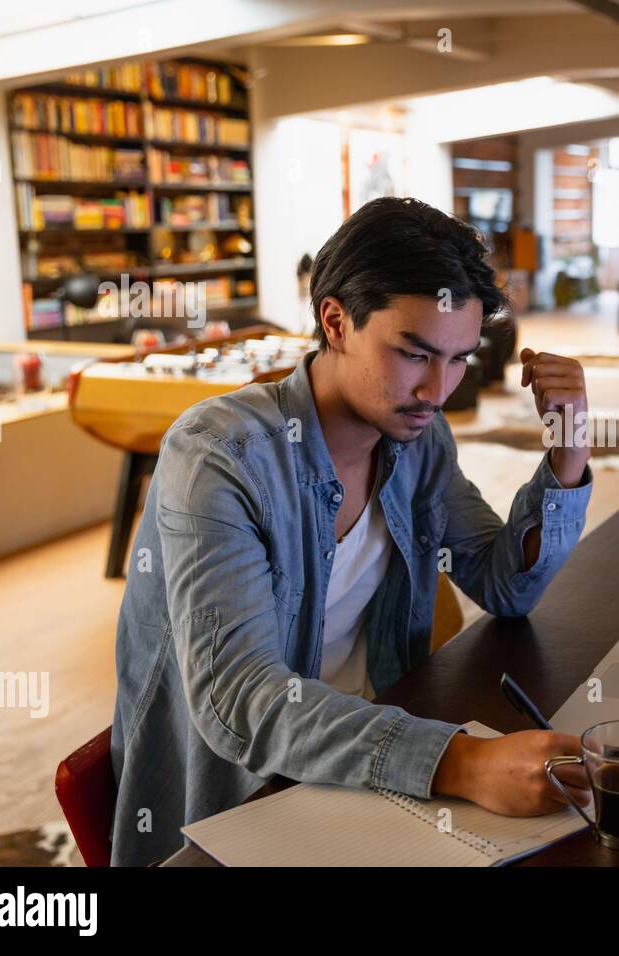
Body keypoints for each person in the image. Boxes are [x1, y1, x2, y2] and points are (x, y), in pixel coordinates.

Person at [109, 197, 594, 866]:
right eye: (414, 353)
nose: (437, 389)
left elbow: (505, 587)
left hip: (376, 753)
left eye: (457, 359)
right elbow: (243, 701)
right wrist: (464, 763)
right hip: (246, 796)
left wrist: (567, 451)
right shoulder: (218, 454)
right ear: (334, 320)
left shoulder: (419, 441)